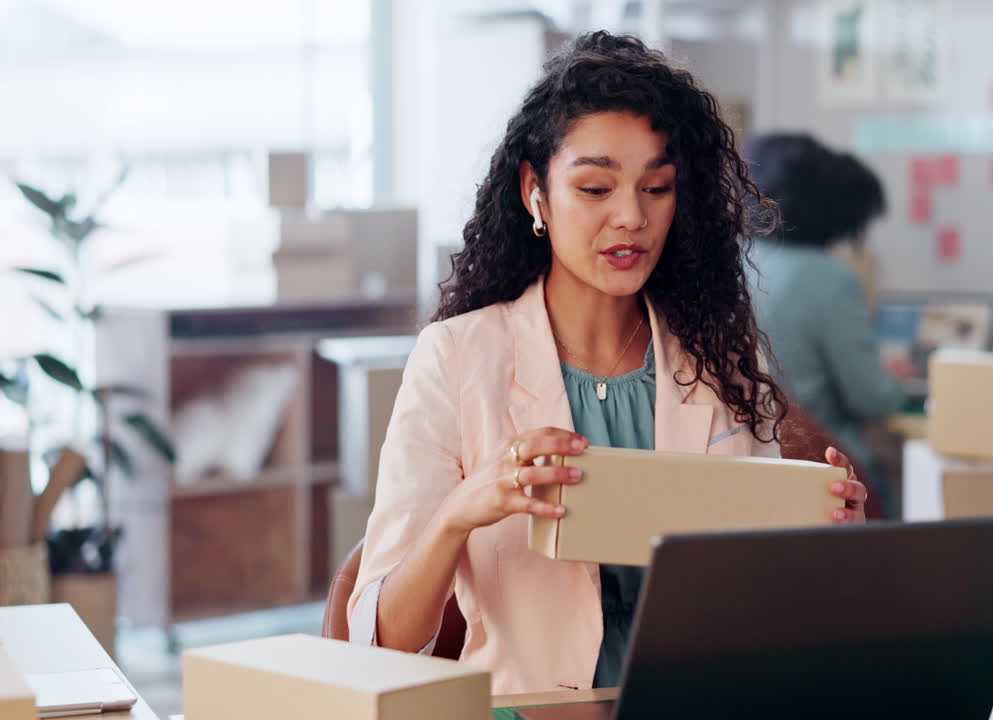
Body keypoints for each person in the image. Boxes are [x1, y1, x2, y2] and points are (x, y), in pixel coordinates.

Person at [347, 33, 867, 695]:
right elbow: (382, 641)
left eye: (657, 188)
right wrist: (462, 509)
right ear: (534, 191)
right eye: (595, 188)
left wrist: (819, 535)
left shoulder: (722, 357)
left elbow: (765, 606)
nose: (632, 217)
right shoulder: (456, 358)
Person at [747, 134, 906, 515]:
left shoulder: (730, 259)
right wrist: (896, 380)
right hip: (824, 471)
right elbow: (871, 398)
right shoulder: (831, 278)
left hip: (747, 466)